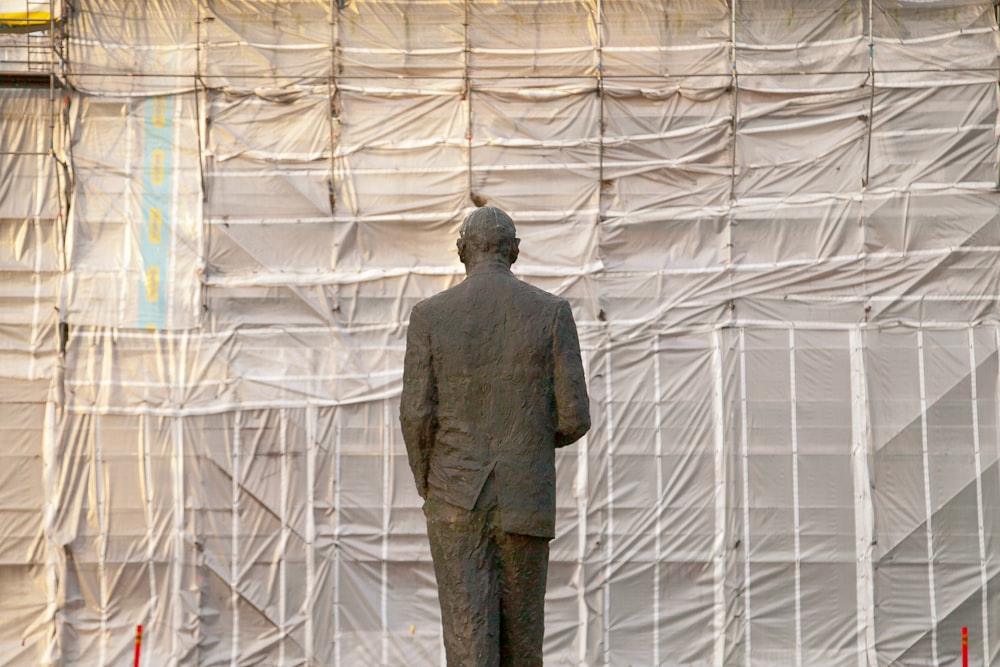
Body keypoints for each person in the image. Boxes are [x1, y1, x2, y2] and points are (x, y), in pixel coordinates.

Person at [399, 206, 591, 666]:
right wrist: (527, 442)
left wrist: (432, 482)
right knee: (523, 644)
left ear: (462, 251)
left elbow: (415, 415)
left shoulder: (429, 316)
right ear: (515, 252)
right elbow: (574, 417)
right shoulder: (551, 312)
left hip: (453, 494)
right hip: (525, 494)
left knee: (468, 640)